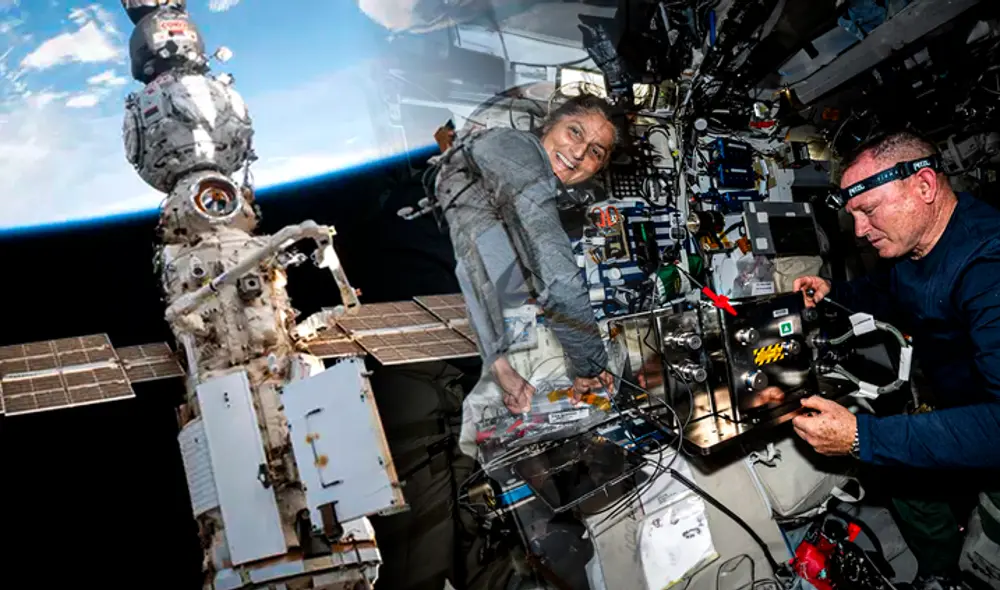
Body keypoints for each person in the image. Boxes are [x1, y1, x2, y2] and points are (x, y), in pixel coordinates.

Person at [787, 130, 1000, 589]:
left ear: (923, 186)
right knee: (905, 478)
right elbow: (885, 290)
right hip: (955, 401)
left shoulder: (988, 264)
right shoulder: (911, 245)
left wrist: (862, 436)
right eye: (853, 216)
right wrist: (832, 294)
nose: (860, 231)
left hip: (991, 424)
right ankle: (940, 573)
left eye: (868, 210)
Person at [431, 93, 619, 459]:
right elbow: (560, 282)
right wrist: (591, 367)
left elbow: (480, 266)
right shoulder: (519, 153)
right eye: (574, 132)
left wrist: (501, 367)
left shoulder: (510, 179)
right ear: (548, 124)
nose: (579, 153)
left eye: (596, 151)